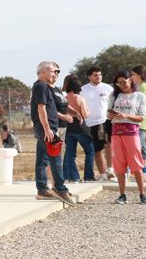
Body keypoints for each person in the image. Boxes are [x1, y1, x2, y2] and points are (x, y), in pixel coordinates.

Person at [30, 61, 75, 205]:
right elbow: (41, 108)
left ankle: (42, 189)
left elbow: (51, 108)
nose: (55, 73)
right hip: (46, 128)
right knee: (55, 157)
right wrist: (47, 128)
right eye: (52, 71)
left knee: (42, 160)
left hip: (49, 127)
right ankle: (60, 189)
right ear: (42, 72)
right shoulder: (41, 86)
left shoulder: (46, 88)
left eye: (57, 72)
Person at [108, 70, 146, 204]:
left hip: (131, 133)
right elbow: (108, 115)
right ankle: (122, 194)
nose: (122, 85)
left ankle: (142, 194)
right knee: (119, 164)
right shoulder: (114, 96)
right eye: (119, 83)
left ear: (130, 80)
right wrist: (112, 115)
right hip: (116, 133)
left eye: (124, 82)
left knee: (136, 163)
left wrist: (126, 116)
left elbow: (141, 117)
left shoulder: (140, 96)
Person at [79, 66, 113, 180]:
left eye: (100, 74)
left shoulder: (108, 88)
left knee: (109, 146)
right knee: (97, 150)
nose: (98, 77)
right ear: (89, 77)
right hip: (90, 123)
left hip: (106, 121)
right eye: (95, 75)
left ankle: (110, 170)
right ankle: (103, 174)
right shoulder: (83, 90)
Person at [61, 73, 95, 182]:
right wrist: (89, 111)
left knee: (70, 154)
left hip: (69, 128)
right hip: (81, 128)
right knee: (90, 151)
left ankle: (72, 177)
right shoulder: (80, 98)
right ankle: (89, 176)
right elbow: (85, 114)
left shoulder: (64, 99)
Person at [130, 65, 146, 180]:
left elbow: (140, 105)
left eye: (133, 74)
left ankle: (139, 171)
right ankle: (144, 172)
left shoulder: (143, 87)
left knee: (136, 146)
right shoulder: (142, 86)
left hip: (141, 122)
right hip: (144, 122)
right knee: (142, 147)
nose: (131, 77)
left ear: (139, 75)